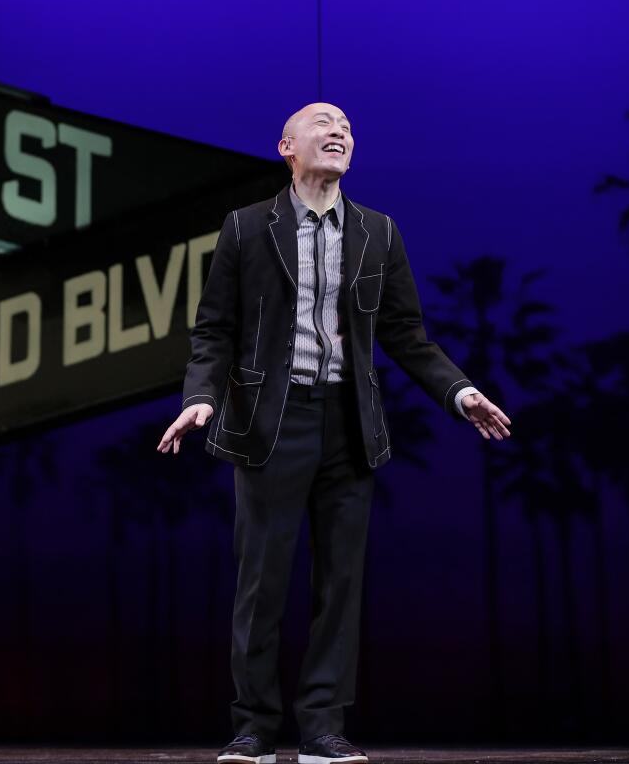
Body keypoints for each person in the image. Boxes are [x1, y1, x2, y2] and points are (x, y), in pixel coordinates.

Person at [156, 103, 511, 764]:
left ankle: (321, 726)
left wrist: (458, 391)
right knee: (260, 582)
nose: (339, 130)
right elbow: (214, 332)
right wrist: (201, 399)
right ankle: (254, 725)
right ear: (286, 145)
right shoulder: (245, 228)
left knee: (339, 583)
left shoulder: (378, 232)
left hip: (349, 423)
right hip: (271, 423)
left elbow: (407, 336)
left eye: (347, 125)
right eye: (323, 121)